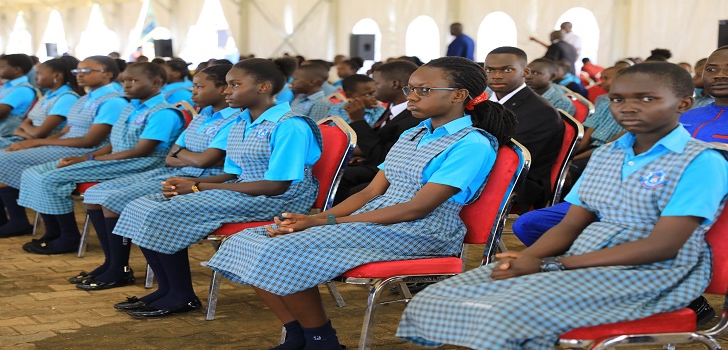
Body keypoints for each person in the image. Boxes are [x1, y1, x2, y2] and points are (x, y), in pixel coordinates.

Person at [397, 61, 728, 349]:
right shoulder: (607, 154)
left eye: (647, 99)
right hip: (584, 258)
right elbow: (571, 224)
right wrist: (526, 258)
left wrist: (549, 266)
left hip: (652, 273)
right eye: (617, 99)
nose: (628, 108)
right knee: (446, 295)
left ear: (684, 104)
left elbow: (663, 245)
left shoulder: (700, 161)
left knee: (501, 310)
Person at [208, 56, 516, 350]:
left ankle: (321, 340)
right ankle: (297, 333)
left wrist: (322, 222)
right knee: (249, 239)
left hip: (424, 229)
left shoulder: (472, 143)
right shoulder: (414, 132)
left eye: (424, 90)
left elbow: (417, 208)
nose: (412, 97)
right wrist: (316, 218)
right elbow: (370, 192)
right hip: (379, 219)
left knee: (284, 248)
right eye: (411, 88)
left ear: (459, 95)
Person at [110, 57, 322, 318]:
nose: (226, 91)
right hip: (246, 190)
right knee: (141, 205)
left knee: (163, 213)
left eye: (234, 85)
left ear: (264, 88)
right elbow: (233, 174)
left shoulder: (289, 125)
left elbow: (276, 185)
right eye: (226, 85)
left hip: (282, 199)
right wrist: (194, 183)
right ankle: (167, 288)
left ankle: (181, 294)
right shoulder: (241, 122)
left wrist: (199, 189)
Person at [73, 65, 240, 290]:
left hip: (208, 178)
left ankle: (122, 269)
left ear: (222, 89)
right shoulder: (203, 116)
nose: (193, 92)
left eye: (199, 87)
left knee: (122, 203)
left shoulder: (233, 120)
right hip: (176, 172)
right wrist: (187, 155)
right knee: (95, 193)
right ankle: (113, 263)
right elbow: (171, 158)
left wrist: (183, 154)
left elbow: (204, 161)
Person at [19, 62, 184, 255]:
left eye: (133, 80)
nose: (127, 85)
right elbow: (114, 142)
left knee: (50, 178)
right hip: (116, 158)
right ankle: (53, 233)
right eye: (124, 81)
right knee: (34, 172)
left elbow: (141, 151)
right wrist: (87, 157)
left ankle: (68, 236)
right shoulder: (131, 107)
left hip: (143, 163)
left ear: (156, 82)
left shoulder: (163, 112)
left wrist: (95, 159)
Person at [0, 56, 128, 239]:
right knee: (6, 163)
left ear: (108, 74)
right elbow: (66, 130)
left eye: (86, 71)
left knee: (2, 162)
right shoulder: (86, 98)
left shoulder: (113, 101)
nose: (80, 75)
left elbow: (89, 141)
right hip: (67, 144)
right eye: (77, 71)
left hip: (83, 150)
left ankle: (63, 233)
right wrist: (36, 142)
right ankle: (50, 231)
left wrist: (38, 141)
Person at [485, 46, 563, 211]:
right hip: (491, 169)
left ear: (525, 72)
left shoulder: (541, 112)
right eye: (490, 70)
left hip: (520, 183)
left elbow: (509, 157)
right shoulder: (486, 102)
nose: (496, 76)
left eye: (507, 70)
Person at [332, 60, 420, 204]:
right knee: (338, 165)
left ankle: (332, 217)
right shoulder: (393, 108)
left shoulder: (412, 116)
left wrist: (357, 121)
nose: (373, 90)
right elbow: (378, 141)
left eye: (376, 84)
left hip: (391, 169)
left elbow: (383, 155)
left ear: (394, 84)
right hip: (376, 162)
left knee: (342, 175)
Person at [0, 58, 81, 154]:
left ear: (56, 76)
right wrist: (28, 133)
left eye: (39, 74)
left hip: (42, 144)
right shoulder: (48, 95)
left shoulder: (66, 98)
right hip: (24, 139)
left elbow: (39, 132)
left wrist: (28, 133)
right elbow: (21, 126)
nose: (35, 78)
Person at [0, 54, 37, 139]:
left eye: (1, 67)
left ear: (16, 69)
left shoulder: (22, 90)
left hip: (3, 135)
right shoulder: (3, 86)